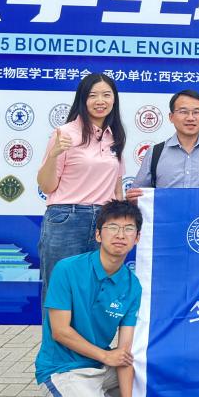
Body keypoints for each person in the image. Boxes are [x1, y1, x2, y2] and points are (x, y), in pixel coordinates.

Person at [35, 199, 143, 397]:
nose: (120, 235)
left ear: (137, 238)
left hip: (99, 366)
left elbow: (124, 354)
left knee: (152, 371)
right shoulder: (68, 269)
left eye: (129, 229)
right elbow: (60, 331)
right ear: (98, 235)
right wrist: (106, 356)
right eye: (112, 227)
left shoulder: (132, 285)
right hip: (61, 367)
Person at [36, 72, 129, 301]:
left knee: (96, 292)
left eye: (106, 95)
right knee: (60, 289)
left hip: (104, 221)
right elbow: (47, 186)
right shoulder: (65, 134)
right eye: (93, 95)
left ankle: (88, 329)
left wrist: (121, 222)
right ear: (82, 99)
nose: (100, 101)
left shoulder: (115, 136)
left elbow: (117, 188)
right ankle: (55, 329)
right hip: (67, 218)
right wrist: (53, 155)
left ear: (114, 99)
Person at [132, 89, 199, 189]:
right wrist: (133, 195)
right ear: (171, 117)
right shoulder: (155, 153)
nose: (190, 118)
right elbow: (139, 194)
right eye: (183, 112)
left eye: (196, 112)